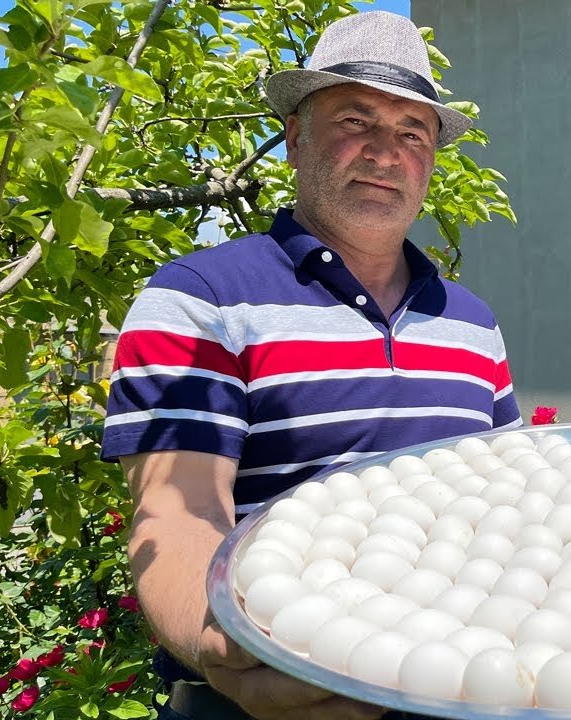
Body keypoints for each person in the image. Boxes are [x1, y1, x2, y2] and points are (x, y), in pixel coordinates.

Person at [101, 12, 521, 720]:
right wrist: (223, 643)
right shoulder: (199, 302)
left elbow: (508, 501)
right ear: (295, 139)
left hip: (456, 683)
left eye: (412, 132)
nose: (386, 154)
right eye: (356, 120)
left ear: (431, 161)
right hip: (271, 685)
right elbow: (175, 514)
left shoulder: (472, 324)